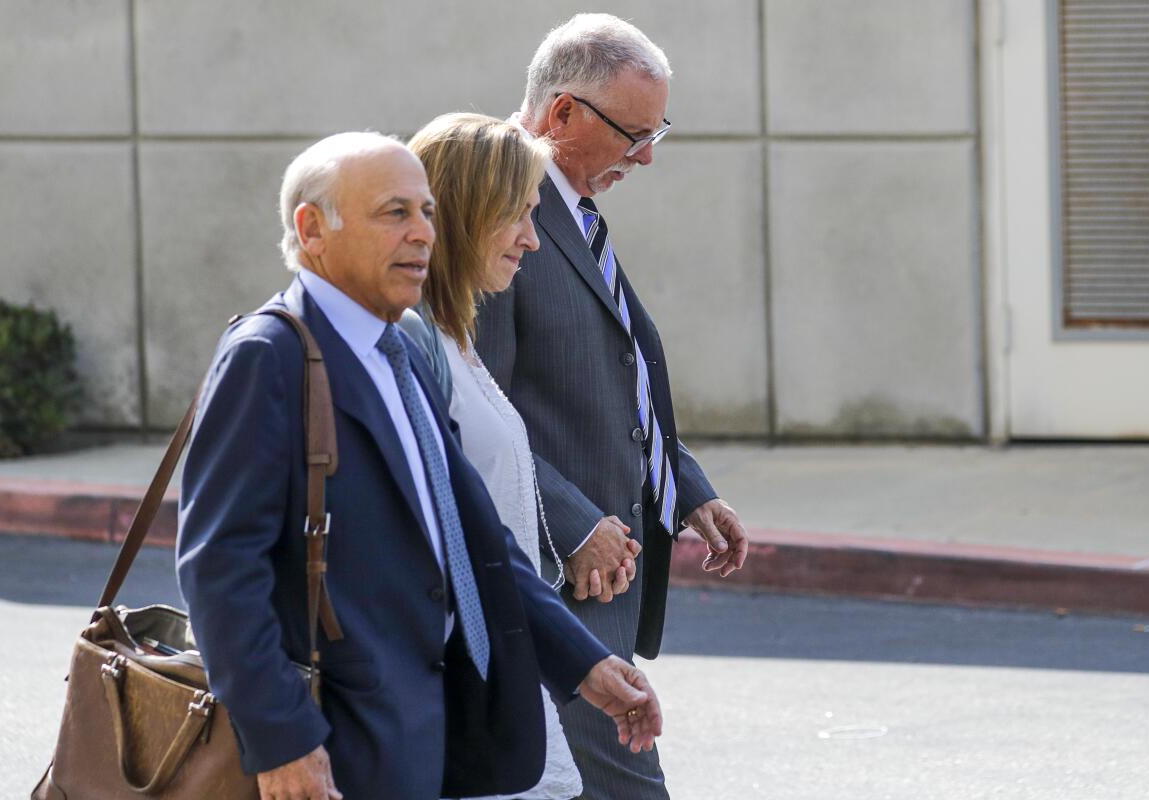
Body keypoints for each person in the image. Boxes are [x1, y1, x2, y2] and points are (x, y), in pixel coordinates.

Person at [176, 131, 664, 800]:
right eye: (394, 214)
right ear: (311, 229)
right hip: (336, 748)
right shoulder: (270, 355)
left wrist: (583, 664)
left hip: (429, 738)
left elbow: (478, 542)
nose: (422, 235)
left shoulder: (399, 353)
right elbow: (221, 569)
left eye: (427, 212)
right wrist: (283, 739)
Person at [474, 14, 751, 799]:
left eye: (656, 129)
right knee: (624, 784)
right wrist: (573, 525)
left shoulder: (571, 206)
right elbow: (472, 405)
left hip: (604, 566)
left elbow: (613, 365)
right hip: (561, 575)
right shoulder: (499, 206)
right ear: (562, 114)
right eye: (634, 132)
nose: (648, 155)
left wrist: (685, 487)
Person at [400, 112, 639, 800]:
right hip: (454, 698)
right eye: (519, 216)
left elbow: (489, 537)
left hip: (502, 679)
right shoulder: (413, 345)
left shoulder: (456, 337)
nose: (534, 240)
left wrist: (579, 661)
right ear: (471, 213)